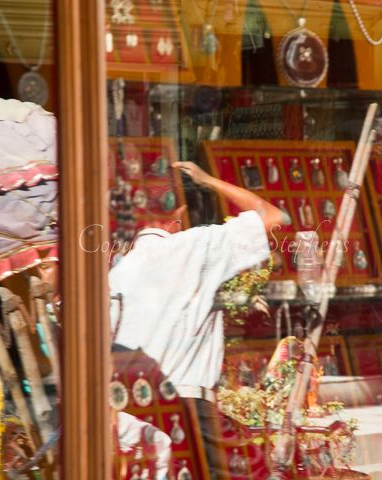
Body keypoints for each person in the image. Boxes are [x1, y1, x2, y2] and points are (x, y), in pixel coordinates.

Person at [109, 161, 286, 478]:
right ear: (179, 214)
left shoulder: (117, 272)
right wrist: (208, 180)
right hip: (189, 412)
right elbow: (274, 217)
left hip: (135, 414)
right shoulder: (196, 247)